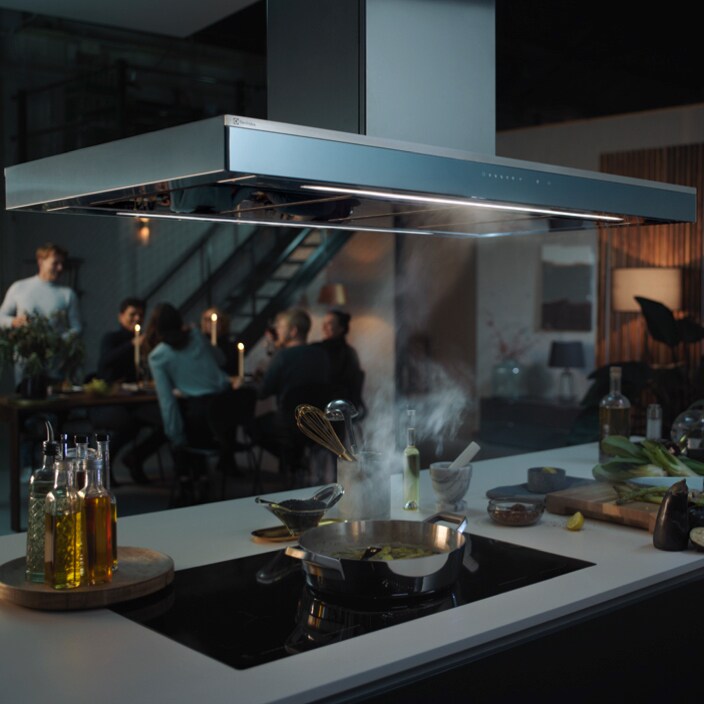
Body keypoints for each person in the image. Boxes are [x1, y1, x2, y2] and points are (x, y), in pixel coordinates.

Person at [144, 303, 240, 500]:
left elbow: (167, 402)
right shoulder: (197, 336)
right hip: (229, 411)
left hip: (200, 418)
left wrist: (175, 437)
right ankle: (200, 477)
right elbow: (221, 360)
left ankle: (186, 479)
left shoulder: (158, 356)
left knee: (176, 424)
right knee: (188, 417)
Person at [91, 297, 165, 485]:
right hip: (112, 401)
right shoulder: (112, 338)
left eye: (141, 315)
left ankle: (136, 457)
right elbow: (105, 361)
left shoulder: (144, 341)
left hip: (136, 400)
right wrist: (131, 345)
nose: (137, 319)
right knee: (128, 423)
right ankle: (106, 467)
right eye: (132, 314)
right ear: (121, 316)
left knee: (167, 422)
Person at [250, 308, 332, 470]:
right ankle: (295, 460)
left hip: (288, 424)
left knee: (252, 426)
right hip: (317, 423)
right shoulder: (322, 355)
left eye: (281, 327)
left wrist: (254, 380)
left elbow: (263, 393)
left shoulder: (282, 356)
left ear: (293, 331)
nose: (278, 331)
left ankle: (292, 461)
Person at [0, 242, 82, 384]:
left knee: (54, 395)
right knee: (26, 393)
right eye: (55, 263)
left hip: (54, 363)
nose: (60, 268)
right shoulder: (19, 288)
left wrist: (58, 340)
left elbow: (77, 327)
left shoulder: (67, 294)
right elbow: (1, 317)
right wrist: (13, 322)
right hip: (25, 361)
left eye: (62, 264)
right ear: (41, 261)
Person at [317, 308, 365, 414]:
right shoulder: (317, 349)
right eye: (324, 323)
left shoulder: (347, 353)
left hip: (336, 409)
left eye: (329, 323)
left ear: (341, 328)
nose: (324, 327)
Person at [200, 306, 239, 376]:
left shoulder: (230, 347)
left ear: (222, 322)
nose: (211, 323)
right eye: (207, 319)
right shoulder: (200, 344)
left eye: (214, 319)